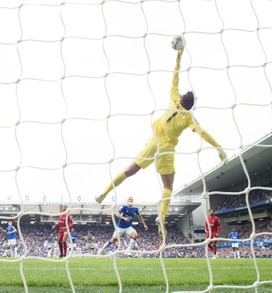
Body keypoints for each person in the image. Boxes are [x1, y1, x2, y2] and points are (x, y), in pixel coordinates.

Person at [95, 48, 228, 238]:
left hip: (153, 142)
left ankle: (103, 192)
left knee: (128, 171)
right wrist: (219, 149)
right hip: (166, 150)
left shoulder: (174, 97)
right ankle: (161, 216)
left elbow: (175, 75)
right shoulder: (189, 117)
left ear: (182, 98)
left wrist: (179, 54)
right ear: (191, 106)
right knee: (167, 187)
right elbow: (203, 132)